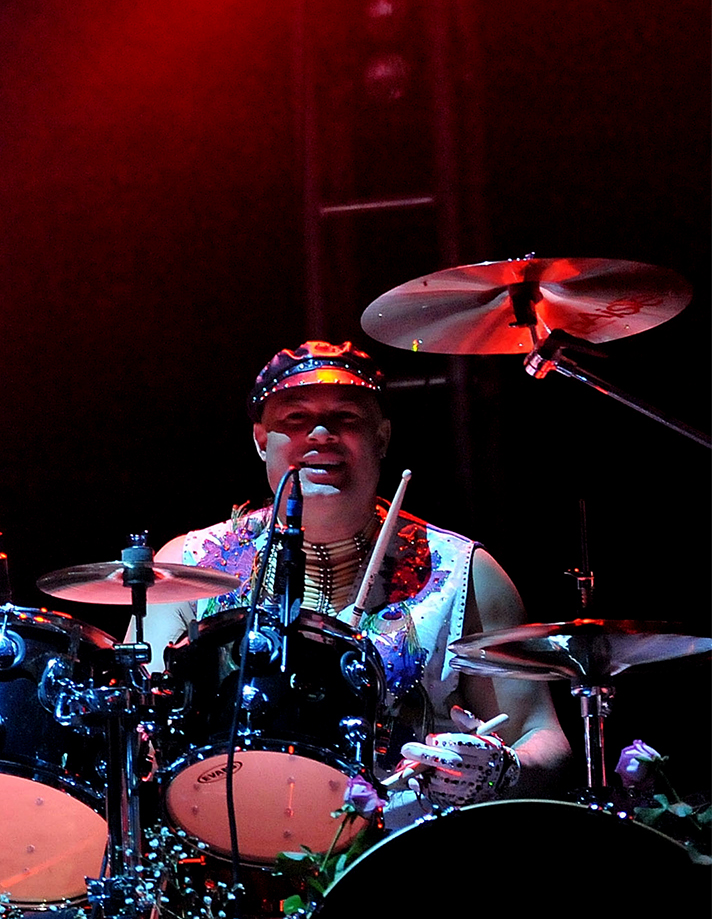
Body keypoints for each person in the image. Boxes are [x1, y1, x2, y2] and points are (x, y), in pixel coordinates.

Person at [142, 341, 570, 819]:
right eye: (295, 419)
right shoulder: (188, 566)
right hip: (227, 855)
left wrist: (497, 768)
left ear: (382, 438)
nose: (321, 434)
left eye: (346, 417)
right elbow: (136, 722)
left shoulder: (465, 573)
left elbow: (543, 738)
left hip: (403, 857)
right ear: (261, 439)